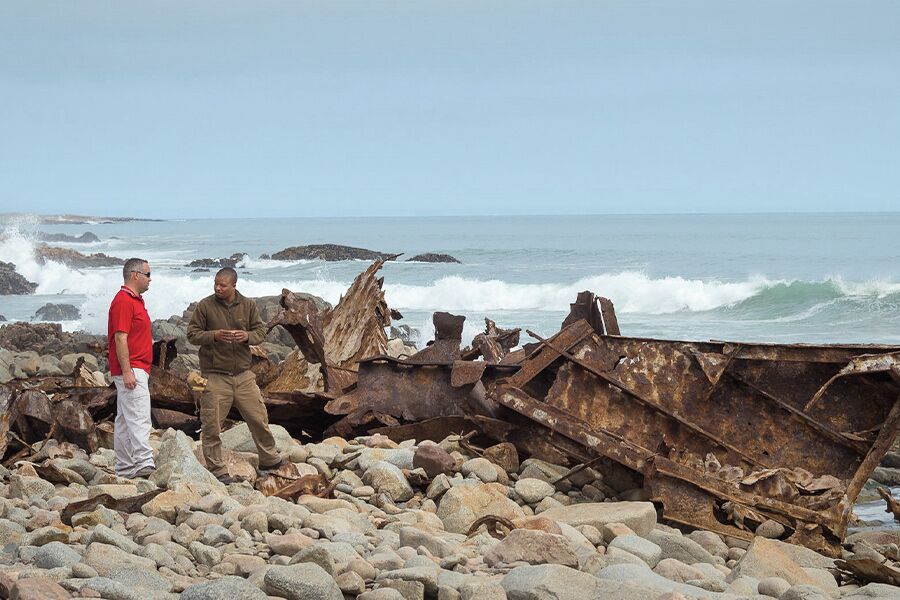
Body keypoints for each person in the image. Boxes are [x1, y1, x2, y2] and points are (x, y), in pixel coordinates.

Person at [187, 267, 285, 483]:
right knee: (212, 425)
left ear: (234, 285)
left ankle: (269, 459)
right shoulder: (205, 306)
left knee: (259, 418)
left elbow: (260, 332)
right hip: (215, 376)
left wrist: (246, 336)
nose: (217, 288)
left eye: (222, 285)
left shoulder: (248, 305)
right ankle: (217, 470)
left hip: (243, 375)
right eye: (215, 284)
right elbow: (192, 335)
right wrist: (214, 335)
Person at [108, 257, 156, 479]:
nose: (150, 279)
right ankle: (144, 461)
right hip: (132, 367)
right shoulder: (124, 301)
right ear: (136, 275)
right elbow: (120, 337)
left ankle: (125, 466)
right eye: (148, 274)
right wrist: (127, 371)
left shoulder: (135, 300)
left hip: (137, 367)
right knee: (139, 414)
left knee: (125, 419)